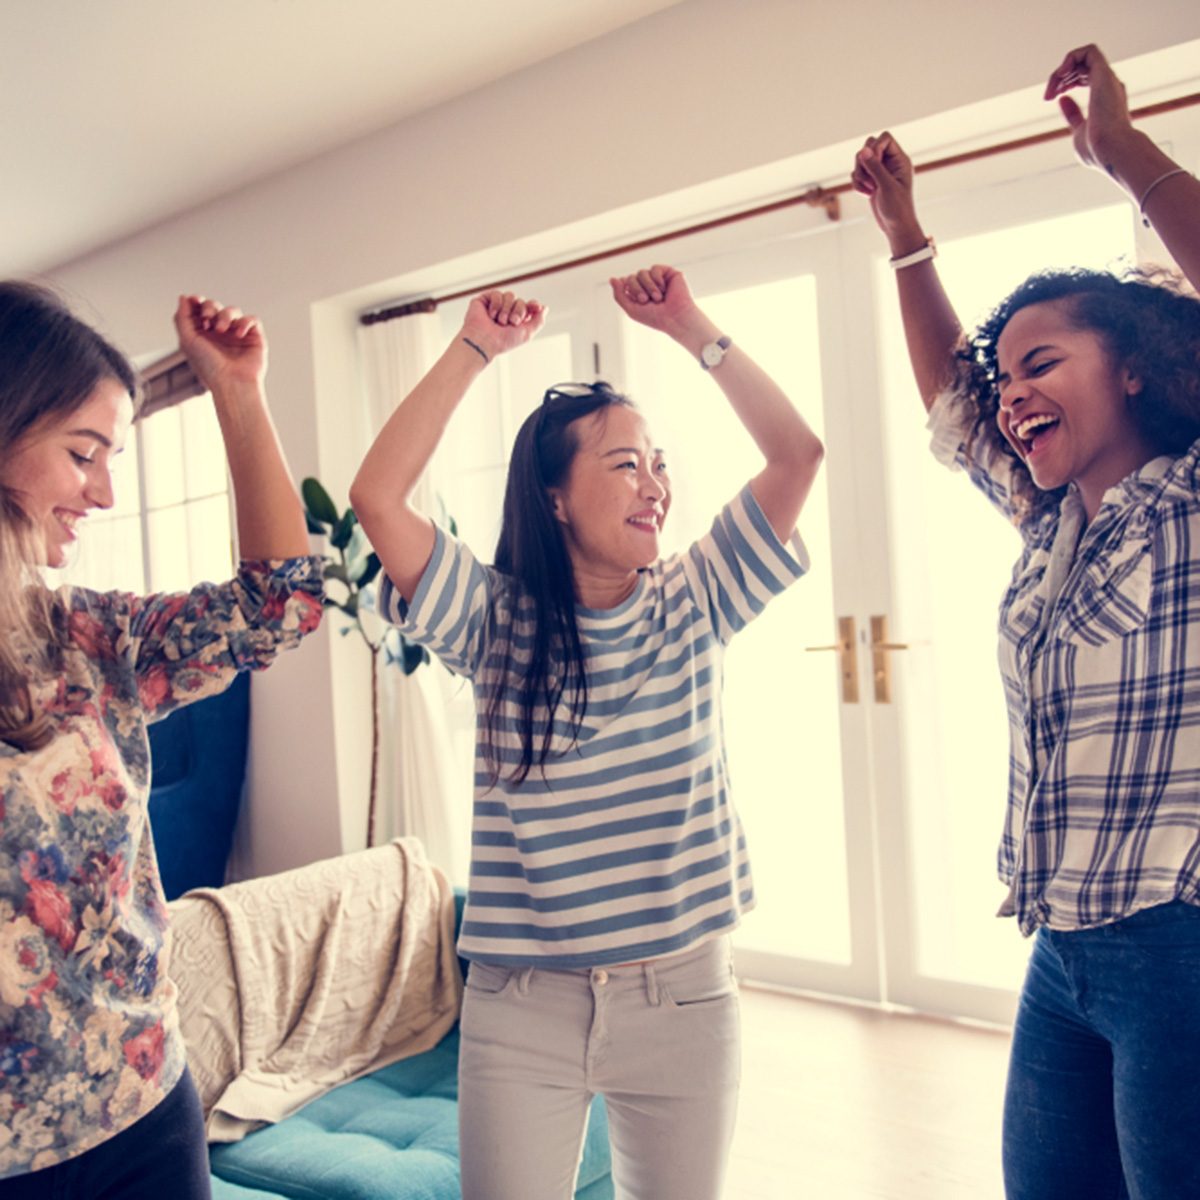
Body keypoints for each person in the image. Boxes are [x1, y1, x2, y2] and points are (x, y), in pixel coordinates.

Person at [351, 263, 823, 1199]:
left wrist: (693, 326)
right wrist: (474, 348)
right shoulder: (494, 622)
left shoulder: (696, 600)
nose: (654, 484)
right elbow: (377, 497)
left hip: (682, 997)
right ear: (555, 499)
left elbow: (797, 454)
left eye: (658, 464)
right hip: (520, 1007)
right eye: (623, 465)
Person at [853, 43, 1200, 1199]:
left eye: (1040, 361)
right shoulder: (1053, 528)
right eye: (1008, 374)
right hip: (1063, 949)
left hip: (1181, 946)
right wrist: (906, 237)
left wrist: (1122, 149)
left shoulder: (1190, 504)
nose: (1008, 392)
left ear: (1141, 371)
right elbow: (954, 404)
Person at [0, 286, 324, 1198]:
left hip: (143, 1110)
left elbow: (279, 605)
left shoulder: (86, 642)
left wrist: (238, 393)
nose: (103, 491)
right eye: (82, 453)